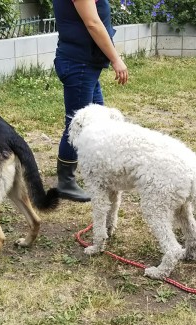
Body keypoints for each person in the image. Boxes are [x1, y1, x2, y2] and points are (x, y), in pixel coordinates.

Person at [53, 0, 129, 202]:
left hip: (87, 64)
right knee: (77, 123)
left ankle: (96, 168)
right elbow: (93, 23)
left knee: (97, 122)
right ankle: (65, 181)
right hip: (79, 64)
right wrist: (115, 59)